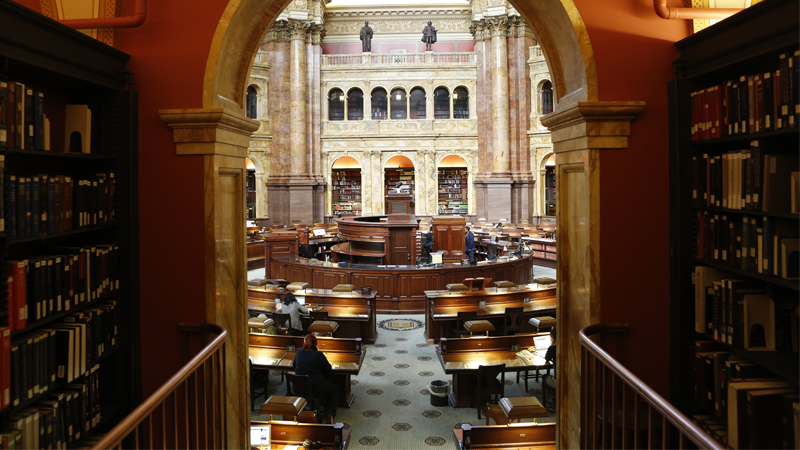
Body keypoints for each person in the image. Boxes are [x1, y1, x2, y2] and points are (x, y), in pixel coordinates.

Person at [292, 334, 339, 423]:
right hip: (314, 389)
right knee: (334, 389)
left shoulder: (299, 352)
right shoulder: (318, 354)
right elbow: (328, 370)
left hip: (298, 388)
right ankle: (330, 414)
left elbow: (294, 366)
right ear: (316, 344)